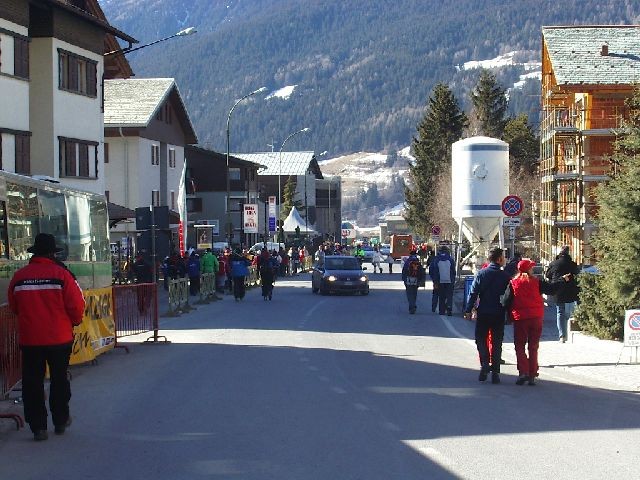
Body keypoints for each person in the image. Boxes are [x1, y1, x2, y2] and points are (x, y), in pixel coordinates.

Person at [8, 233, 85, 441]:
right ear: (53, 253)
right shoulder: (62, 275)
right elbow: (77, 305)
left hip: (31, 339)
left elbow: (14, 307)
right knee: (59, 379)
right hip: (59, 339)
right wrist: (75, 321)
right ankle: (60, 420)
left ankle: (38, 428)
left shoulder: (19, 277)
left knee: (32, 383)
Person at [503, 259, 571, 385]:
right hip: (536, 318)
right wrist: (563, 279)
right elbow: (551, 289)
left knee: (519, 346)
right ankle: (532, 373)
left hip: (520, 318)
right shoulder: (537, 282)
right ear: (528, 269)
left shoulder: (513, 283)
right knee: (533, 346)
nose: (533, 269)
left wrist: (507, 314)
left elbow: (505, 301)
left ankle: (523, 372)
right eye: (531, 268)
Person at [463, 247, 511, 384]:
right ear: (499, 259)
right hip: (499, 313)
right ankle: (495, 372)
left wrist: (468, 310)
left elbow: (473, 293)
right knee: (497, 343)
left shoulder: (481, 274)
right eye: (503, 257)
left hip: (483, 311)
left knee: (480, 339)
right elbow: (510, 296)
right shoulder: (505, 276)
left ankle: (485, 363)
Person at [545, 246, 580, 343]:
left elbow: (548, 275)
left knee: (560, 312)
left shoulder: (554, 264)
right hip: (571, 290)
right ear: (568, 253)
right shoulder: (572, 264)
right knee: (571, 312)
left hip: (558, 290)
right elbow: (578, 273)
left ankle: (562, 336)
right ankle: (571, 330)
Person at [429, 245, 456, 316]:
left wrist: (434, 280)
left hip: (439, 281)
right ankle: (449, 308)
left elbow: (431, 270)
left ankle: (442, 311)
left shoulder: (436, 259)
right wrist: (453, 279)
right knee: (449, 295)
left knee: (441, 296)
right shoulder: (450, 259)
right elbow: (453, 271)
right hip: (449, 280)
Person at [401, 249, 426, 314]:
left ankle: (411, 306)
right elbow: (421, 272)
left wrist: (404, 280)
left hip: (408, 279)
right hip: (416, 280)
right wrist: (421, 280)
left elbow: (404, 271)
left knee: (409, 294)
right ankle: (413, 304)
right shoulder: (418, 262)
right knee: (414, 293)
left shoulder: (407, 261)